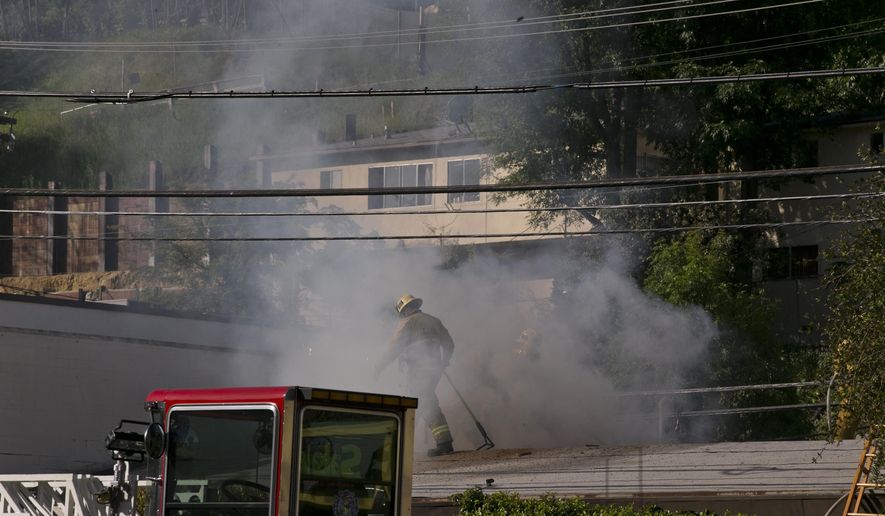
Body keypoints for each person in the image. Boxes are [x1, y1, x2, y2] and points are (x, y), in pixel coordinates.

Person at [374, 294, 455, 456]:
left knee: (424, 401)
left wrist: (379, 367)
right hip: (434, 369)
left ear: (403, 311)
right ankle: (403, 442)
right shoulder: (434, 320)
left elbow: (394, 348)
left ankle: (443, 442)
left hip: (417, 369)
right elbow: (449, 344)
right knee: (417, 402)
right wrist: (443, 361)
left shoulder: (406, 323)